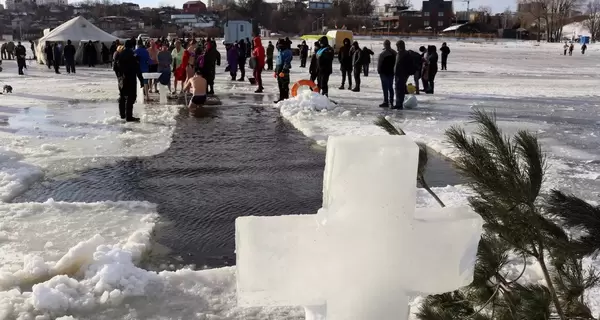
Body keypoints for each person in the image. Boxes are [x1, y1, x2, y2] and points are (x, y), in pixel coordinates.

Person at [114, 39, 144, 122]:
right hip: (130, 78)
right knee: (130, 97)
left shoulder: (119, 54)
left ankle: (122, 114)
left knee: (122, 96)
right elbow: (137, 68)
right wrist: (141, 80)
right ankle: (129, 116)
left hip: (121, 79)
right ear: (131, 46)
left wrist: (119, 76)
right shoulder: (132, 55)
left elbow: (115, 67)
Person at [393, 40, 414, 110]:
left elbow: (399, 65)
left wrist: (396, 72)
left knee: (399, 89)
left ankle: (399, 104)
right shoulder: (403, 53)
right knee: (399, 88)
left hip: (401, 74)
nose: (397, 48)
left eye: (397, 46)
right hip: (401, 74)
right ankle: (399, 103)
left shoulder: (403, 54)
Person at [377, 40, 396, 108]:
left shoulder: (383, 54)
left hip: (384, 72)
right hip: (391, 72)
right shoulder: (394, 53)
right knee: (390, 87)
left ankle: (386, 101)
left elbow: (379, 63)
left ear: (384, 45)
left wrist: (379, 70)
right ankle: (391, 101)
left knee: (385, 87)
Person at [274, 39, 293, 103]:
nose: (278, 46)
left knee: (284, 85)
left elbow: (287, 62)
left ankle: (285, 99)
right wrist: (275, 71)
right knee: (280, 85)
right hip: (278, 70)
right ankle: (281, 98)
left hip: (284, 71)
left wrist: (283, 71)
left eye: (280, 45)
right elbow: (277, 62)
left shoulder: (287, 52)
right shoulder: (280, 51)